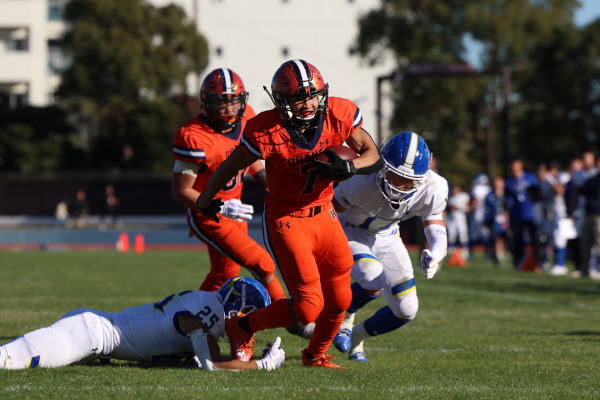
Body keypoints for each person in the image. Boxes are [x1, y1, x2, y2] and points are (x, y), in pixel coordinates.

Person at [195, 59, 382, 368]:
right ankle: (241, 326)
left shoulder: (339, 113)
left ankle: (314, 356)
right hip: (287, 219)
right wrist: (205, 200)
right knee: (309, 307)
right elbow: (229, 166)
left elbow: (372, 153)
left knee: (341, 300)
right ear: (282, 100)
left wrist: (350, 166)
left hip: (324, 213)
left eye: (312, 95)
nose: (307, 104)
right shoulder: (267, 129)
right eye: (298, 97)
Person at [327, 131, 448, 362]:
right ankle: (344, 316)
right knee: (373, 278)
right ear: (384, 166)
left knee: (407, 309)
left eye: (409, 180)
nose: (401, 184)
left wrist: (436, 253)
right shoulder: (360, 179)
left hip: (387, 235)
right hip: (350, 230)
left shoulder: (434, 186)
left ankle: (356, 336)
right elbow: (329, 213)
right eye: (395, 175)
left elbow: (436, 227)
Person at [0, 276, 285, 371]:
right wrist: (264, 365)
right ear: (238, 308)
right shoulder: (207, 310)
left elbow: (207, 359)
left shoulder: (206, 306)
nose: (249, 328)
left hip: (97, 343)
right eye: (249, 319)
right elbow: (212, 366)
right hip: (91, 333)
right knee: (17, 358)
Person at [171, 68, 285, 302]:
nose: (230, 110)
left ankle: (190, 320)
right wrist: (218, 206)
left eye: (234, 103)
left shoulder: (247, 119)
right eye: (222, 104)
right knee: (263, 263)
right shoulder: (194, 136)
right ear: (207, 103)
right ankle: (292, 317)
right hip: (206, 213)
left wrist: (274, 185)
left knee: (224, 274)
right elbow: (181, 190)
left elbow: (251, 160)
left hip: (236, 211)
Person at [505, 159, 538, 270]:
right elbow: (506, 199)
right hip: (516, 214)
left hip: (530, 213)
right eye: (512, 166)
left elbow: (537, 193)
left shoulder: (530, 178)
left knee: (535, 239)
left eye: (516, 166)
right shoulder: (509, 181)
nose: (514, 168)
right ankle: (518, 261)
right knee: (517, 239)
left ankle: (537, 261)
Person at [484, 176, 509, 265]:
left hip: (506, 219)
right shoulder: (490, 196)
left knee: (505, 237)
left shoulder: (506, 195)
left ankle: (502, 253)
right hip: (494, 219)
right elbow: (487, 209)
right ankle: (498, 254)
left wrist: (506, 217)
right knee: (496, 237)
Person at [446, 184, 470, 265]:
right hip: (452, 219)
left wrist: (458, 207)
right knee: (452, 235)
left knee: (462, 234)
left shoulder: (463, 196)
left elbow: (467, 207)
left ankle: (465, 251)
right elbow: (449, 208)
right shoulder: (451, 198)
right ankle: (452, 251)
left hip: (460, 218)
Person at [468, 173, 491, 259]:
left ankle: (471, 253)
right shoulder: (489, 189)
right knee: (485, 234)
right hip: (486, 214)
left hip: (477, 214)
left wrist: (469, 209)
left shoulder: (476, 189)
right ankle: (487, 253)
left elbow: (475, 201)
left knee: (473, 234)